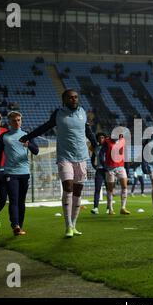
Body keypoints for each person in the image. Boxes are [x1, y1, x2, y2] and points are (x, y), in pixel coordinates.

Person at [19, 89, 96, 238]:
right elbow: (45, 127)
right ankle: (67, 226)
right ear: (64, 100)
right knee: (68, 187)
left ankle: (74, 224)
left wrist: (94, 143)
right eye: (70, 97)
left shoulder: (82, 112)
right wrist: (28, 136)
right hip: (64, 156)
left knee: (78, 191)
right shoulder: (58, 113)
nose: (74, 99)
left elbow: (87, 130)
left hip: (81, 157)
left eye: (75, 97)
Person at [0, 112, 39, 235]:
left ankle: (20, 226)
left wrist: (28, 144)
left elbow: (36, 151)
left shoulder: (27, 135)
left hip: (24, 172)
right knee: (13, 200)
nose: (17, 122)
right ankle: (15, 225)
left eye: (19, 120)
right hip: (10, 173)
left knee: (21, 201)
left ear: (21, 121)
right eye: (14, 120)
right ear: (9, 122)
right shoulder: (4, 137)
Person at [99, 133, 130, 215]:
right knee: (110, 189)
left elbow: (125, 155)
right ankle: (110, 208)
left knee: (124, 186)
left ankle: (123, 208)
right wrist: (104, 165)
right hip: (110, 168)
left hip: (121, 167)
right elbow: (101, 154)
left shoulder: (122, 140)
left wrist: (127, 169)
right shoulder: (107, 141)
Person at [90, 132, 108, 215]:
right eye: (100, 138)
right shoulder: (96, 148)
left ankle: (109, 208)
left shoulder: (108, 147)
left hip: (108, 170)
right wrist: (94, 166)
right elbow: (92, 158)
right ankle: (95, 208)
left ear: (105, 138)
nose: (101, 139)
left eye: (102, 137)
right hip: (99, 170)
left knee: (109, 190)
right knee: (97, 189)